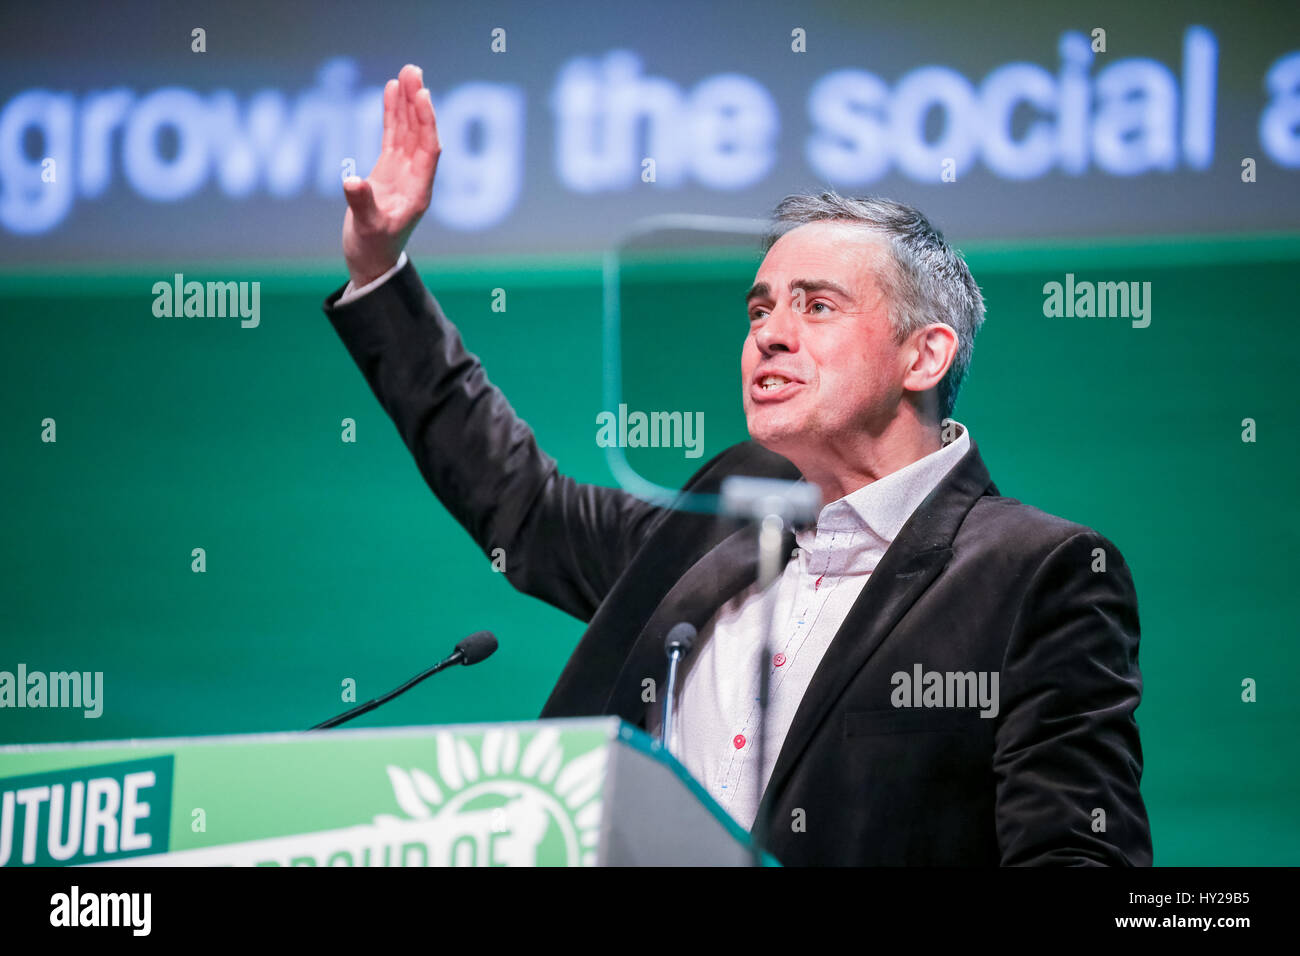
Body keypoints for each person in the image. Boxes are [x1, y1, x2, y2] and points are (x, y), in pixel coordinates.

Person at [323, 64, 1152, 866]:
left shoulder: (1038, 575)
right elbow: (526, 509)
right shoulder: (725, 507)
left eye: (816, 305)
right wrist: (380, 272)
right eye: (760, 308)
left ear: (925, 356)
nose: (770, 332)